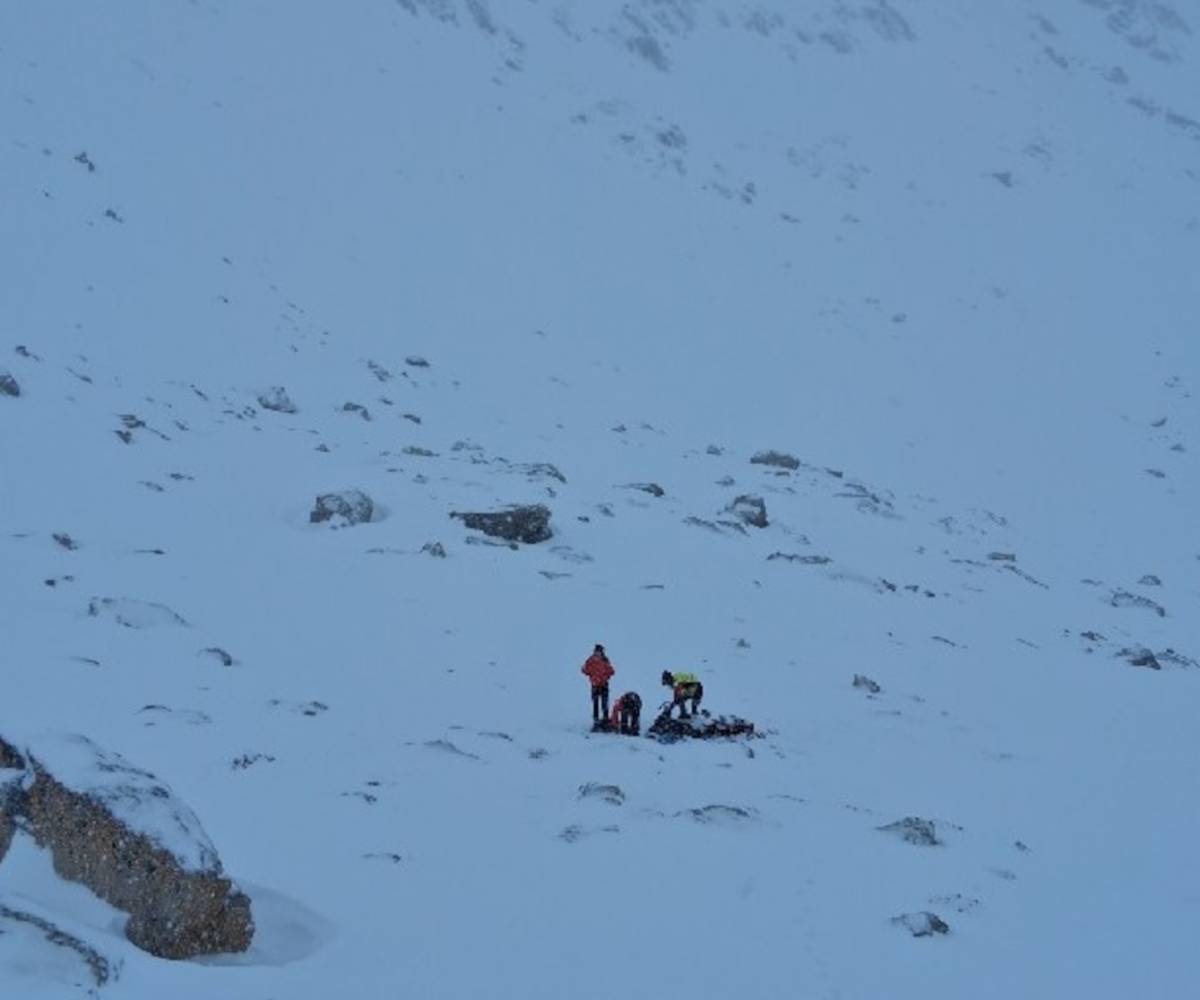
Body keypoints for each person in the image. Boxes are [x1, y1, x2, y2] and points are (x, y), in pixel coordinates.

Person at [582, 644, 614, 723]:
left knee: (604, 704)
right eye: (597, 651)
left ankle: (605, 720)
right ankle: (596, 721)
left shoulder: (605, 660)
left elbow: (611, 671)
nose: (598, 653)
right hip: (595, 685)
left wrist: (606, 676)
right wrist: (591, 674)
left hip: (604, 685)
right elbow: (584, 669)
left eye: (600, 651)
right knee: (595, 705)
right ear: (595, 651)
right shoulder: (590, 660)